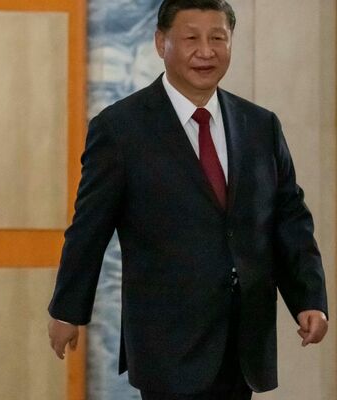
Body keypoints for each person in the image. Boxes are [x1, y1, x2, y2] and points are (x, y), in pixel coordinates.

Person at [47, 0, 328, 399]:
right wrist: (67, 310)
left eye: (218, 38)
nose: (206, 51)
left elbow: (289, 219)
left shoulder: (260, 125)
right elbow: (90, 227)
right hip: (167, 342)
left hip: (244, 339)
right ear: (161, 42)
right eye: (191, 38)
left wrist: (308, 299)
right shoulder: (120, 129)